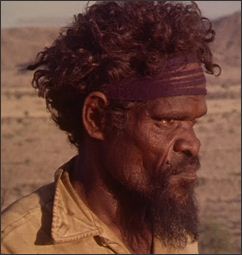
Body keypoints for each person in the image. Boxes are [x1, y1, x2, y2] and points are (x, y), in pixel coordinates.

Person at [1, 1, 220, 254]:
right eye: (166, 121)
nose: (193, 144)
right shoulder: (19, 244)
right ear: (97, 118)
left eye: (193, 122)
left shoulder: (174, 230)